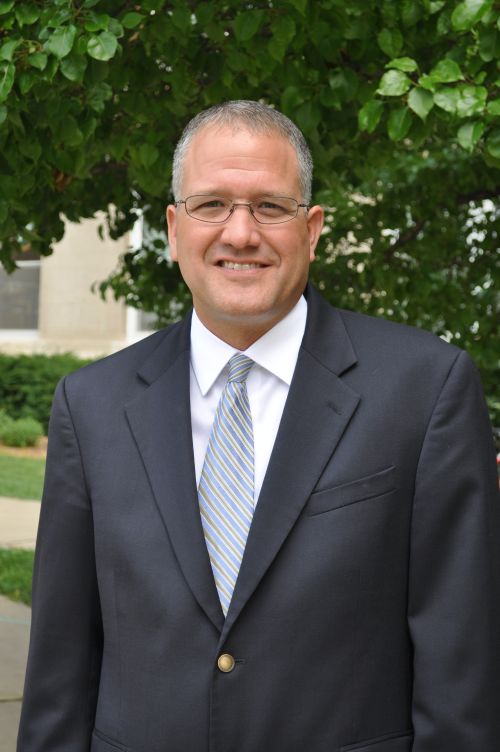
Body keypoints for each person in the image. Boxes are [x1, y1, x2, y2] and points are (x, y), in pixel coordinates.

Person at [18, 101, 499, 752]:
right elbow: (60, 671)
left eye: (270, 207)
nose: (240, 233)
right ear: (172, 227)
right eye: (211, 204)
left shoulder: (425, 389)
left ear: (313, 228)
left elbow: (460, 671)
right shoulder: (92, 404)